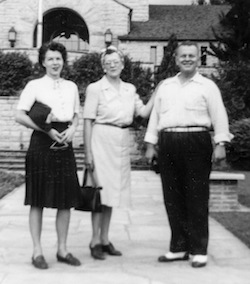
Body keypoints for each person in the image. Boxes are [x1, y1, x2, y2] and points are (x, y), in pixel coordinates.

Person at [145, 41, 233, 268]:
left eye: (191, 56)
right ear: (175, 59)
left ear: (198, 59)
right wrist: (151, 144)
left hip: (196, 140)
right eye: (182, 56)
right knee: (172, 197)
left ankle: (199, 249)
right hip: (168, 141)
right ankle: (178, 247)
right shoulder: (165, 86)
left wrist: (221, 142)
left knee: (196, 196)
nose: (187, 59)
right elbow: (155, 116)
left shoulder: (207, 86)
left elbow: (219, 115)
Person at [83, 46, 156, 260]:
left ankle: (105, 239)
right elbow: (88, 122)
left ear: (123, 65)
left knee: (112, 194)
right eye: (108, 63)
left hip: (121, 142)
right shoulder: (95, 89)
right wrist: (88, 153)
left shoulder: (130, 89)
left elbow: (142, 112)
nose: (113, 65)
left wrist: (158, 92)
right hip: (101, 140)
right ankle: (94, 240)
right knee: (99, 193)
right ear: (103, 67)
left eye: (116, 62)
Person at [15, 41, 81, 269]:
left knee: (65, 200)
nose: (55, 63)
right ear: (43, 61)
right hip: (42, 142)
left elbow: (76, 115)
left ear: (64, 61)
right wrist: (47, 130)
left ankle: (62, 249)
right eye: (50, 58)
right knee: (38, 199)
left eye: (58, 59)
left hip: (65, 143)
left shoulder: (71, 87)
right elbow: (20, 116)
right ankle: (37, 252)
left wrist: (73, 129)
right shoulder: (34, 86)